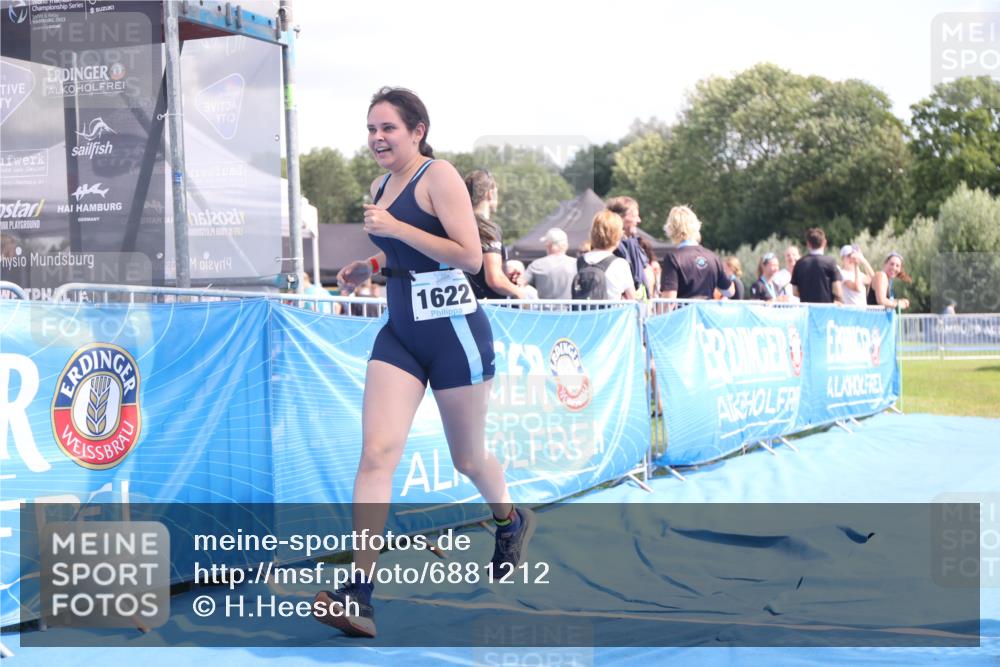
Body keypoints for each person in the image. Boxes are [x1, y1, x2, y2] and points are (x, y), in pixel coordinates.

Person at [319, 87, 535, 638]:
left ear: (417, 131)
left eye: (387, 128)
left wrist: (395, 229)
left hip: (455, 333)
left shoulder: (439, 176)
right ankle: (359, 593)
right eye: (371, 129)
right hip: (401, 333)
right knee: (376, 453)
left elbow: (468, 255)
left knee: (468, 458)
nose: (377, 138)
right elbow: (403, 251)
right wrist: (370, 264)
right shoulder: (379, 186)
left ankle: (510, 520)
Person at [463, 169, 533, 300]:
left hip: (466, 303)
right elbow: (494, 279)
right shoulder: (487, 228)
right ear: (490, 194)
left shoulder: (459, 224)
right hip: (489, 307)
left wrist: (505, 274)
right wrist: (519, 293)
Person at [659, 206, 733, 300]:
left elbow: (668, 301)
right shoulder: (712, 257)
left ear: (671, 228)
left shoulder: (672, 258)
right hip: (706, 309)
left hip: (684, 310)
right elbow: (730, 291)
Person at [574, 210, 636, 300]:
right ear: (617, 235)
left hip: (583, 309)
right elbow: (632, 298)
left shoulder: (578, 261)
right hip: (611, 309)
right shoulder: (620, 264)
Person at [606, 196, 654, 298]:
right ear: (619, 218)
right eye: (634, 216)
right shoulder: (609, 246)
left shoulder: (634, 242)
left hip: (639, 302)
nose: (639, 220)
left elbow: (645, 270)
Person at [520, 228, 577, 299]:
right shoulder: (576, 264)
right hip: (572, 306)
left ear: (549, 245)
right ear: (566, 245)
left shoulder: (537, 264)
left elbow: (520, 284)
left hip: (545, 306)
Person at [790, 228, 843, 304]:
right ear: (824, 242)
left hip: (806, 308)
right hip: (826, 308)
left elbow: (795, 291)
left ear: (808, 244)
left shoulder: (799, 263)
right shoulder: (830, 262)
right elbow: (838, 291)